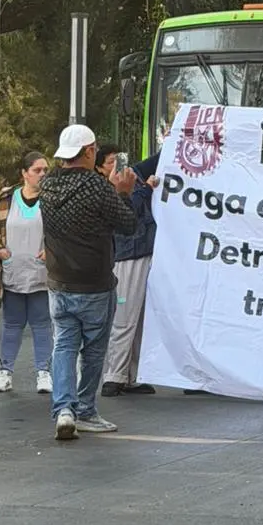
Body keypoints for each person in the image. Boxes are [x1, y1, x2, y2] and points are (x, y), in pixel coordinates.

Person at [38, 124, 138, 441]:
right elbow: (128, 225)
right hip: (94, 282)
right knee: (93, 351)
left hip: (59, 281)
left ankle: (63, 411)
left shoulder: (47, 185)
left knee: (64, 345)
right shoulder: (97, 188)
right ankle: (85, 411)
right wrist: (123, 192)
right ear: (90, 151)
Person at [0, 151, 53, 394]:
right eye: (37, 170)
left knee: (42, 324)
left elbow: (66, 231)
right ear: (24, 173)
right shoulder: (5, 199)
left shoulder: (53, 199)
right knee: (12, 324)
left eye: (45, 170)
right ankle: (5, 372)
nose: (42, 174)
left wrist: (53, 251)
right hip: (12, 273)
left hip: (42, 275)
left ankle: (44, 373)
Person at [101, 154, 160, 397]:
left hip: (142, 252)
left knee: (139, 319)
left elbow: (155, 161)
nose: (119, 167)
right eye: (110, 162)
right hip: (127, 256)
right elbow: (128, 212)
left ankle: (130, 375)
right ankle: (114, 375)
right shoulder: (110, 189)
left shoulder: (131, 178)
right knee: (125, 318)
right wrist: (145, 189)